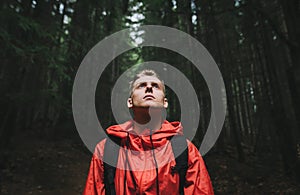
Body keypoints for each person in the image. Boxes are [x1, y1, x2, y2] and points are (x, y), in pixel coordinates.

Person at [83, 69, 214, 195]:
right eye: (141, 85)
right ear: (130, 102)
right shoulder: (106, 149)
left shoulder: (186, 151)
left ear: (165, 102)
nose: (149, 88)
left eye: (156, 86)